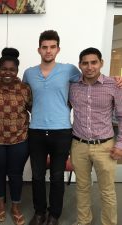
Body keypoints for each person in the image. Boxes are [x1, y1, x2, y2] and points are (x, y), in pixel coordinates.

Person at [23, 30, 81, 225]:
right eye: (45, 47)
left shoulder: (69, 70)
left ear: (58, 49)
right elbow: (25, 98)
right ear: (39, 49)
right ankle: (39, 212)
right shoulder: (29, 73)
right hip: (36, 130)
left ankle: (54, 214)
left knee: (57, 176)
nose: (48, 51)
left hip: (62, 131)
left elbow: (86, 85)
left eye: (52, 47)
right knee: (37, 176)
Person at [69, 47, 122, 225]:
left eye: (94, 62)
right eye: (85, 63)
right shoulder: (73, 86)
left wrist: (120, 145)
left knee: (107, 191)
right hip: (79, 145)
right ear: (80, 65)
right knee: (82, 188)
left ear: (101, 63)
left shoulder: (114, 85)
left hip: (105, 146)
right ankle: (83, 221)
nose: (89, 67)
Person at [0, 47, 32, 225]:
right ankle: (1, 205)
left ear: (17, 71)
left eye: (12, 70)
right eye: (4, 69)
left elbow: (34, 109)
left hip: (19, 139)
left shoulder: (25, 89)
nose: (7, 73)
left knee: (16, 174)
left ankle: (16, 207)